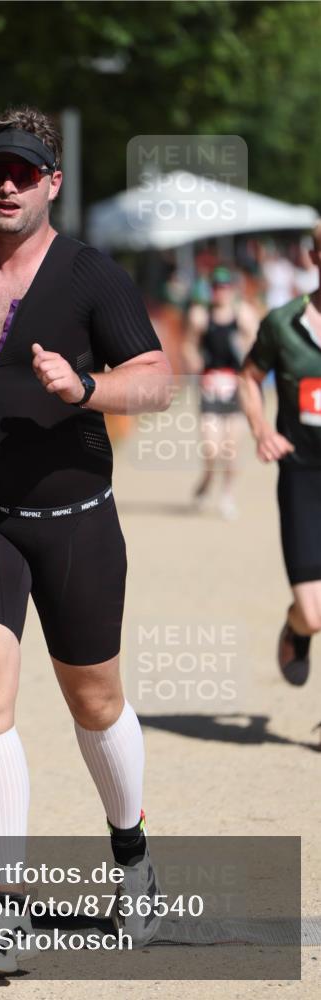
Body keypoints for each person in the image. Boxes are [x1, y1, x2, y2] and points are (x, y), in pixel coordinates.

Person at [0, 106, 172, 974]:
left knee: (93, 702)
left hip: (75, 525)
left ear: (52, 182)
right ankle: (5, 914)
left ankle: (131, 857)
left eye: (22, 172)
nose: (5, 185)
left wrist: (85, 387)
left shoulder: (92, 276)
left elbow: (156, 381)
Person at [239, 221, 321, 686]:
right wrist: (261, 429)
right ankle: (297, 627)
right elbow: (249, 376)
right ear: (314, 259)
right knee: (314, 613)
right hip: (304, 475)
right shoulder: (283, 325)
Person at [184, 266, 259, 519]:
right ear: (211, 290)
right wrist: (194, 362)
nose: (221, 292)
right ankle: (207, 480)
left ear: (232, 289)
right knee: (210, 448)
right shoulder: (200, 316)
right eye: (217, 287)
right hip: (210, 387)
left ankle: (227, 495)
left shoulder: (244, 315)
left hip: (235, 388)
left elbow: (257, 347)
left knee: (230, 449)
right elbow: (189, 346)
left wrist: (245, 351)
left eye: (225, 287)